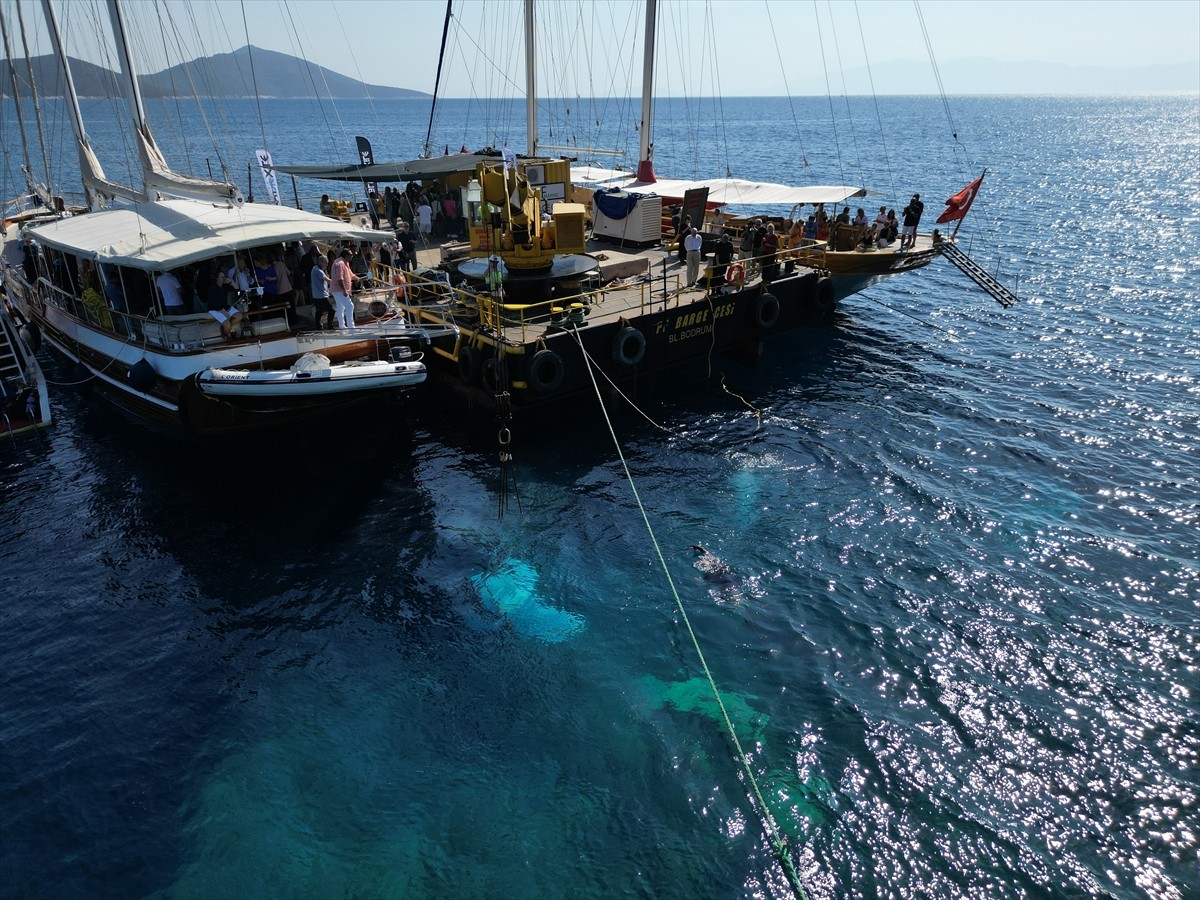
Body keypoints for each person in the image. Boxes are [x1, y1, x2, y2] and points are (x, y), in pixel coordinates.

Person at [330, 248, 359, 329]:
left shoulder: (345, 262)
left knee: (341, 308)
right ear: (346, 255)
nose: (352, 256)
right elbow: (340, 278)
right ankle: (351, 327)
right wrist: (344, 290)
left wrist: (358, 278)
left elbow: (350, 274)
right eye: (351, 255)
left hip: (337, 290)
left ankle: (342, 327)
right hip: (340, 290)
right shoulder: (340, 264)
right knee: (350, 306)